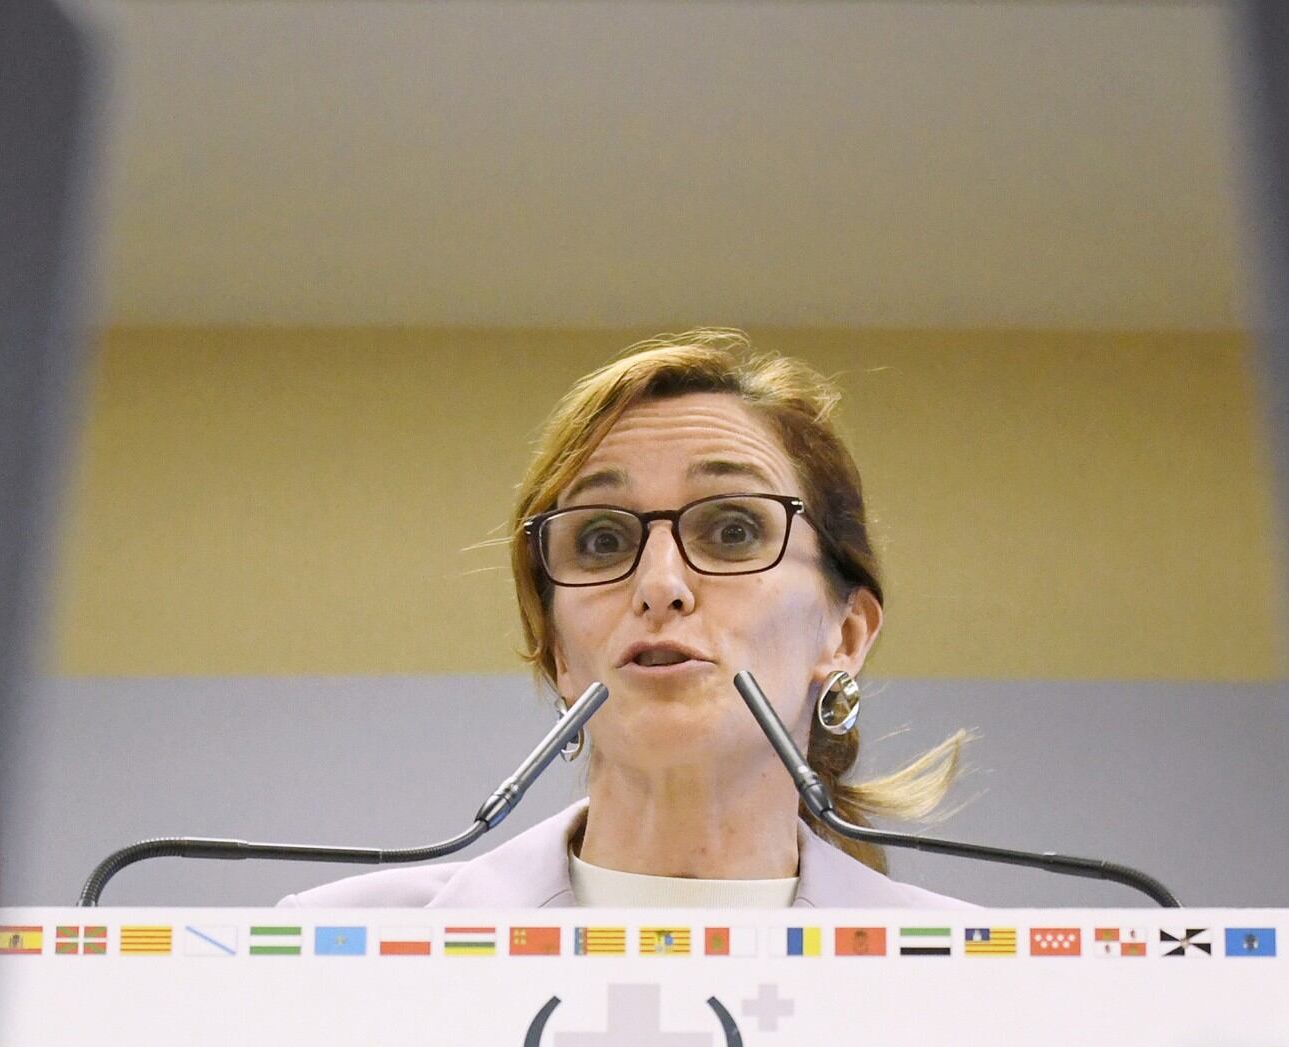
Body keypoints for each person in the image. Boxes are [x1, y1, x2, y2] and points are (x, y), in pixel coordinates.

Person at [286, 331, 974, 911]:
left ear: (844, 635)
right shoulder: (334, 953)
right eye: (603, 540)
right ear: (557, 648)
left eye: (733, 531)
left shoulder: (986, 981)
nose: (660, 586)